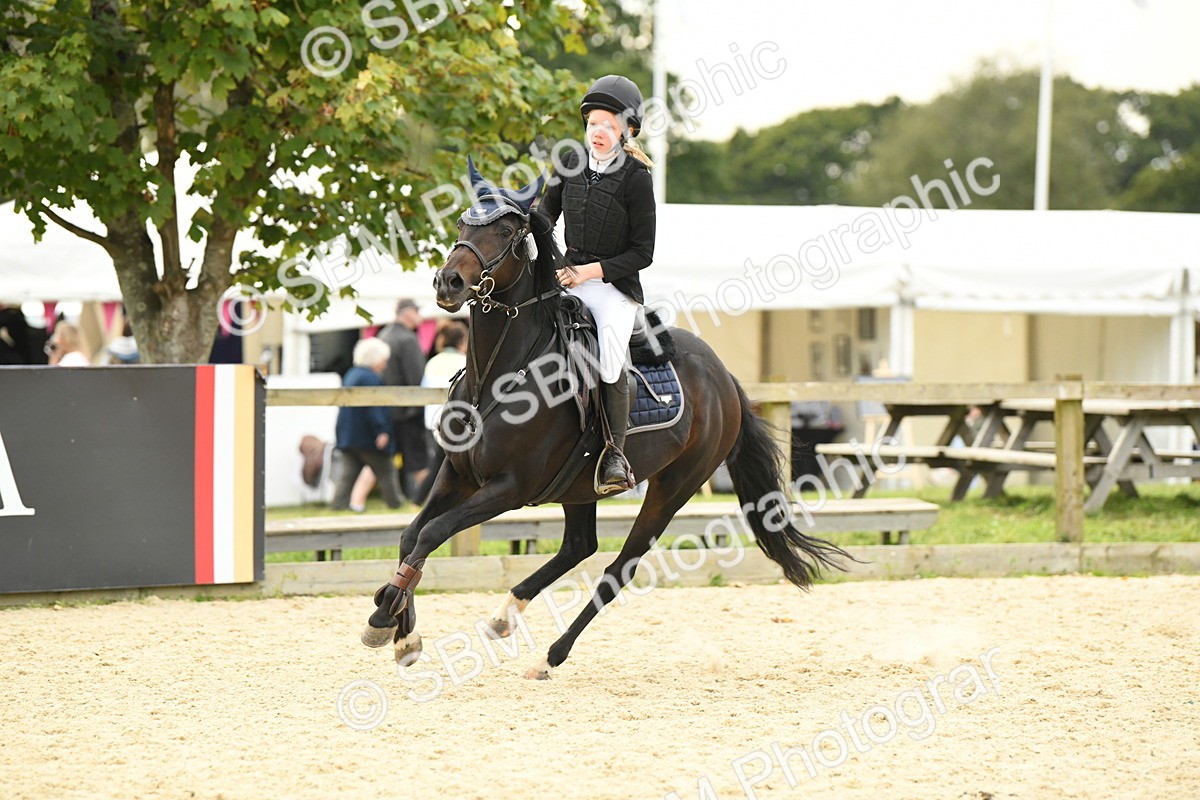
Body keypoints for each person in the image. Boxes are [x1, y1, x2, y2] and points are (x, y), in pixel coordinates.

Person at [540, 74, 656, 494]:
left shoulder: (637, 178)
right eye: (593, 124)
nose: (599, 132)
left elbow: (644, 253)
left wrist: (588, 272)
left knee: (608, 355)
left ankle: (614, 453)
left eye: (608, 124)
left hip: (614, 289)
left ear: (626, 130)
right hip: (569, 277)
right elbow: (544, 219)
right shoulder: (568, 162)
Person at [330, 338, 404, 512]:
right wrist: (382, 430)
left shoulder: (352, 374)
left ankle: (338, 506)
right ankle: (396, 504)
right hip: (367, 437)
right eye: (383, 360)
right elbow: (375, 407)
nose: (385, 365)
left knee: (347, 475)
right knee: (387, 470)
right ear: (374, 359)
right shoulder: (370, 378)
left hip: (349, 436)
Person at [377, 298, 430, 498]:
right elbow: (417, 377)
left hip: (386, 408)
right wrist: (419, 408)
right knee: (418, 462)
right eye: (417, 312)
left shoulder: (383, 335)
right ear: (408, 313)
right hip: (409, 410)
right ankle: (427, 500)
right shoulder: (407, 339)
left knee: (383, 460)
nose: (420, 317)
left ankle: (357, 500)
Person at [413, 320, 469, 504]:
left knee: (440, 462)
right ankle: (422, 499)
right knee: (444, 464)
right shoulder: (463, 362)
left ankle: (423, 499)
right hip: (456, 420)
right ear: (462, 341)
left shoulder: (432, 362)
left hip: (431, 419)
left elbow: (423, 389)